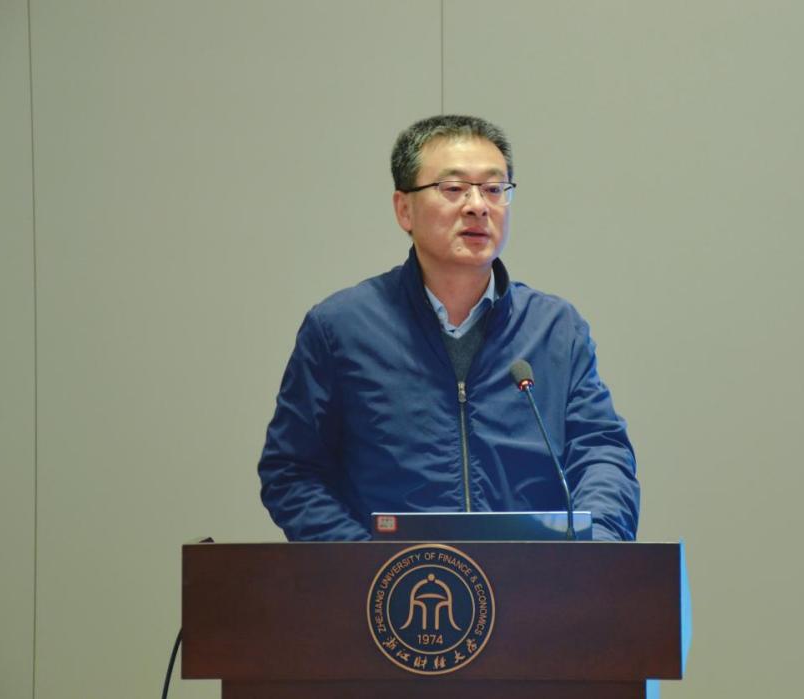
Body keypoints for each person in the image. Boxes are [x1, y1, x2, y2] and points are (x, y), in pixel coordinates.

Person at [258, 115, 639, 541]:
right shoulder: (341, 329)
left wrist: (597, 548)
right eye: (454, 189)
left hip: (535, 577)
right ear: (404, 209)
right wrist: (364, 562)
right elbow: (292, 472)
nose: (478, 206)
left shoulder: (555, 330)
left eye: (494, 189)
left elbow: (602, 453)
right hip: (390, 579)